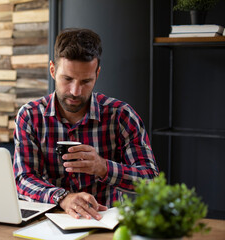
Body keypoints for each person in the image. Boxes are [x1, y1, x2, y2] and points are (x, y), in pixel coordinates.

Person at [13, 28, 159, 220]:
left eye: (86, 81)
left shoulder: (121, 115)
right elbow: (24, 179)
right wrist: (63, 198)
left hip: (106, 223)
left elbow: (151, 180)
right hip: (49, 222)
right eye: (67, 79)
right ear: (52, 70)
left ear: (97, 74)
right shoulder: (30, 116)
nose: (75, 91)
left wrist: (103, 167)